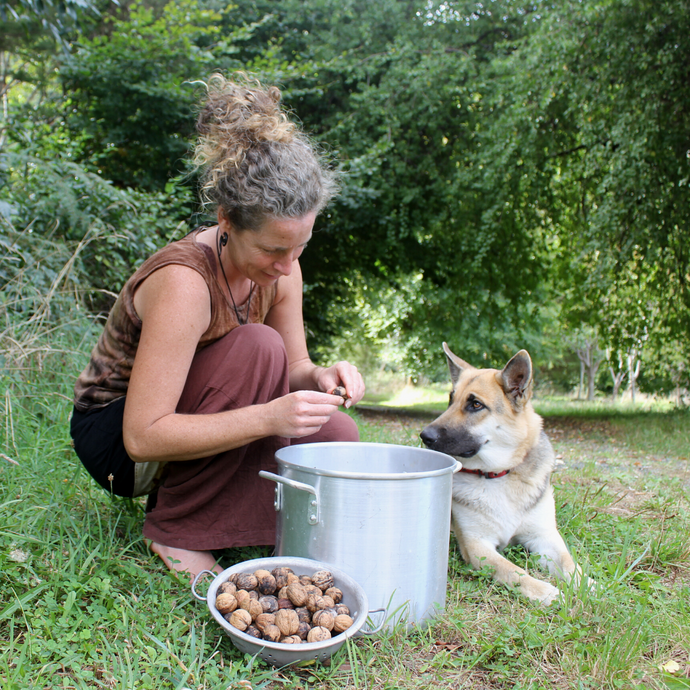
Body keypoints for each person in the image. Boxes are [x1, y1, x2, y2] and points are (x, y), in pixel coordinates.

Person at [70, 73, 365, 579]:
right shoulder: (185, 281)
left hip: (186, 413)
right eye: (273, 249)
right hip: (119, 443)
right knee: (256, 346)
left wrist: (320, 377)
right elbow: (143, 436)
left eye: (301, 246)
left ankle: (250, 524)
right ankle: (175, 529)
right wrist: (268, 419)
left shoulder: (285, 269)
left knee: (335, 431)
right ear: (227, 220)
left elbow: (293, 366)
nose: (287, 263)